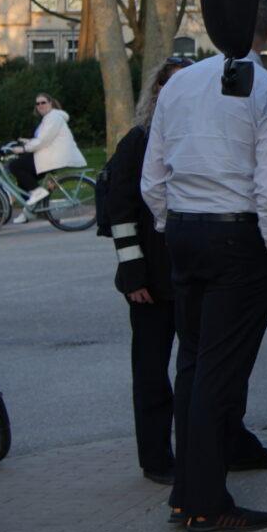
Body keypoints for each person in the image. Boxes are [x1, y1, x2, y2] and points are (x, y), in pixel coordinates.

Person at [143, 0, 267, 532]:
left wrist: (170, 223)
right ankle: (207, 503)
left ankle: (190, 492)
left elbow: (152, 172)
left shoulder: (180, 82)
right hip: (237, 237)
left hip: (186, 230)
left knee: (193, 363)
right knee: (217, 370)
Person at [101, 60, 188, 485]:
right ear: (155, 93)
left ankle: (206, 447)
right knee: (152, 373)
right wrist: (134, 277)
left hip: (194, 275)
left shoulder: (197, 139)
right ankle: (156, 459)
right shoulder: (136, 142)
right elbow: (120, 214)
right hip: (151, 282)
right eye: (169, 86)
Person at [9, 92, 87, 215]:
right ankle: (31, 211)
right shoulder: (49, 118)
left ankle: (38, 194)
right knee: (23, 179)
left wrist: (24, 149)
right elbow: (46, 138)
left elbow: (43, 140)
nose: (40, 105)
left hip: (54, 156)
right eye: (37, 103)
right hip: (50, 154)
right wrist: (28, 142)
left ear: (50, 103)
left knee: (14, 166)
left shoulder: (53, 117)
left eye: (43, 102)